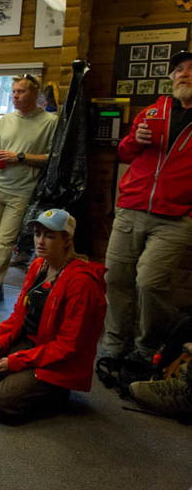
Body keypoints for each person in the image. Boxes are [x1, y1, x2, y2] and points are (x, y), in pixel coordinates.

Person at [0, 209, 107, 425]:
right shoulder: (38, 265)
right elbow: (18, 315)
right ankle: (22, 380)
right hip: (28, 344)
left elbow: (67, 346)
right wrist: (0, 342)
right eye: (37, 233)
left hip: (56, 361)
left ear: (67, 240)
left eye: (49, 236)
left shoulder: (82, 282)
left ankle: (53, 392)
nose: (40, 241)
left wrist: (16, 361)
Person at [100, 49, 192, 363]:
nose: (184, 73)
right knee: (116, 278)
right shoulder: (153, 112)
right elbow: (124, 153)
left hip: (176, 218)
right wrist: (135, 139)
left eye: (191, 69)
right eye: (179, 69)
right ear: (172, 78)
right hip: (131, 207)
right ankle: (115, 343)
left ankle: (148, 348)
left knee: (150, 283)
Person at [0, 75, 57, 317]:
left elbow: (53, 158)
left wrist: (20, 157)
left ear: (35, 95)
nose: (15, 96)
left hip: (20, 191)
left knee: (4, 242)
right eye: (14, 91)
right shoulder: (6, 120)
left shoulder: (51, 122)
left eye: (21, 92)